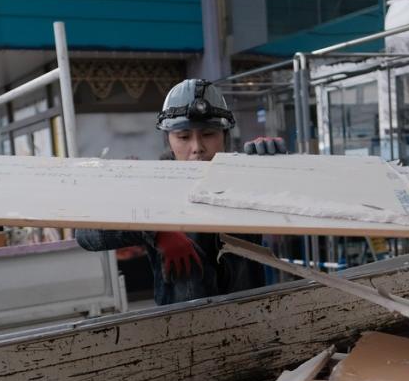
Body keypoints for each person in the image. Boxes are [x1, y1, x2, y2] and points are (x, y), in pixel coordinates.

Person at [76, 79, 278, 306]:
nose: (197, 147)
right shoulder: (154, 188)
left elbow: (298, 197)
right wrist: (158, 230)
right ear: (169, 139)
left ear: (225, 135)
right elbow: (86, 233)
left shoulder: (244, 179)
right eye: (183, 137)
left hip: (252, 318)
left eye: (209, 134)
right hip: (182, 329)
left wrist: (280, 163)